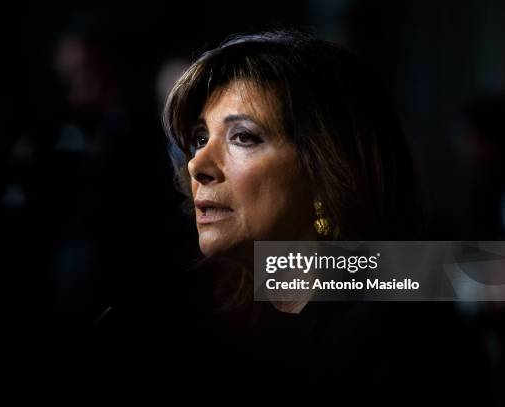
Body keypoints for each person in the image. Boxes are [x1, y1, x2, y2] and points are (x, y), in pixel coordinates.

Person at [155, 30, 492, 403]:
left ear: (326, 168)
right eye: (201, 138)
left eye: (243, 137)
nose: (197, 163)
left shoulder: (398, 335)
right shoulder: (219, 320)